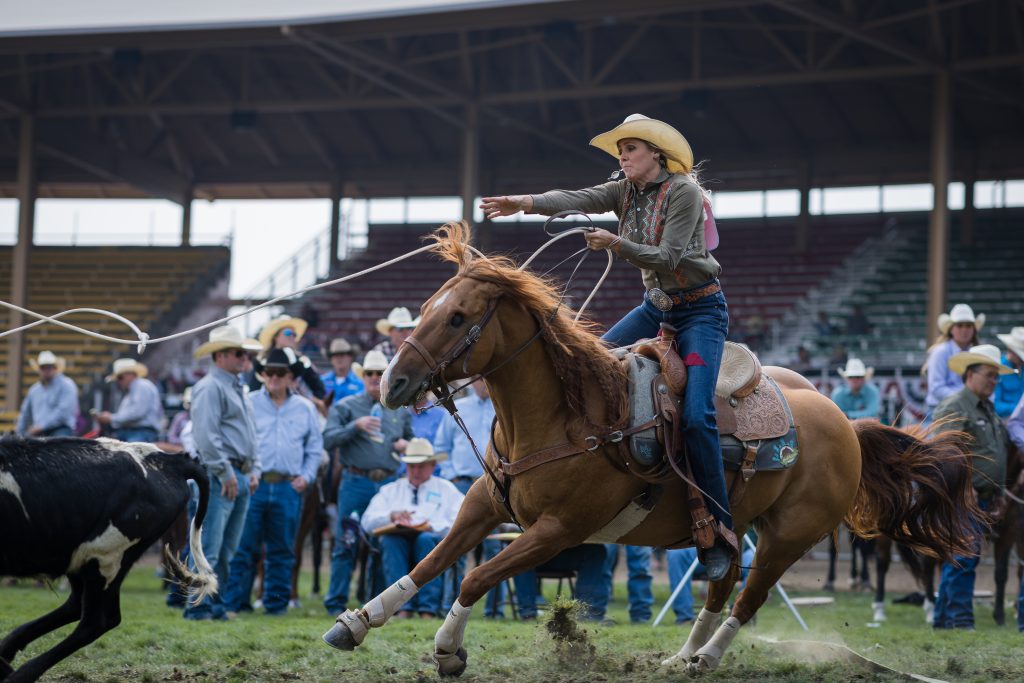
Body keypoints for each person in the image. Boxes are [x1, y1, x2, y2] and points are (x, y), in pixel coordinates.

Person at [480, 113, 736, 580]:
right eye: (620, 150)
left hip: (699, 313)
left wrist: (616, 243)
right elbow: (578, 198)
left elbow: (670, 257)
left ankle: (717, 527)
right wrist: (525, 201)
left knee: (699, 415)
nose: (623, 157)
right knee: (578, 367)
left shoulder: (684, 193)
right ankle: (576, 508)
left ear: (655, 153)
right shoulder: (625, 190)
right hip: (655, 306)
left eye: (631, 149)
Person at [222, 348, 323, 616]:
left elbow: (314, 448)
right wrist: (244, 473)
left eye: (281, 373)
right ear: (263, 375)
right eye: (270, 372)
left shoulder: (305, 408)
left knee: (282, 549)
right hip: (255, 483)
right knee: (244, 547)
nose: (274, 377)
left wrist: (307, 476)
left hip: (289, 486)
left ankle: (275, 605)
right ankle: (235, 603)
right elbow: (236, 440)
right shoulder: (249, 402)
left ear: (291, 377)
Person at [323, 349, 415, 615]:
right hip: (356, 482)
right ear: (362, 376)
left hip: (387, 486)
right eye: (370, 373)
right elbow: (328, 439)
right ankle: (336, 603)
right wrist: (356, 426)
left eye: (380, 373)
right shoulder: (347, 407)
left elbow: (411, 442)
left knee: (386, 541)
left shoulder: (398, 409)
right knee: (347, 542)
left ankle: (381, 604)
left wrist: (405, 445)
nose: (375, 378)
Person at [932, 344, 1015, 630]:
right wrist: (964, 487)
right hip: (963, 497)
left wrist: (1000, 492)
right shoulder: (954, 406)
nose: (994, 382)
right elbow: (943, 451)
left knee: (962, 558)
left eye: (996, 377)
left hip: (984, 497)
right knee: (964, 558)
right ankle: (960, 622)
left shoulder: (987, 409)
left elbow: (995, 453)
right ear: (971, 374)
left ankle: (944, 621)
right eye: (990, 375)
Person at [183, 325, 263, 621]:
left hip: (235, 473)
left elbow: (248, 435)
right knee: (210, 546)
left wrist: (252, 469)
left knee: (227, 548)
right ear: (221, 356)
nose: (245, 358)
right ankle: (199, 606)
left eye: (244, 353)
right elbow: (206, 436)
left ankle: (213, 605)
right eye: (239, 353)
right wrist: (226, 471)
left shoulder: (233, 386)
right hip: (221, 475)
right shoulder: (210, 387)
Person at [361, 438, 464, 618]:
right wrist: (390, 516)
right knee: (391, 540)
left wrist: (431, 526)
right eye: (411, 466)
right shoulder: (390, 490)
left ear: (432, 466)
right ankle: (401, 608)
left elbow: (460, 523)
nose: (416, 471)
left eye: (421, 466)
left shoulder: (447, 489)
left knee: (425, 540)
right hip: (398, 540)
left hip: (432, 541)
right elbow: (367, 522)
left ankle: (427, 608)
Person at [432, 378, 504, 616]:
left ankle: (494, 610)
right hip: (462, 484)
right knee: (456, 546)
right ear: (473, 382)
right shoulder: (456, 409)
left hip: (495, 483)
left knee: (495, 547)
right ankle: (449, 607)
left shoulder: (501, 408)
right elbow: (441, 449)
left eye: (487, 380)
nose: (483, 384)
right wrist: (452, 477)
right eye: (480, 380)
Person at [667, 540, 756, 625]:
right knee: (676, 554)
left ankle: (738, 614)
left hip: (741, 552)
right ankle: (685, 617)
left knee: (754, 557)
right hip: (702, 550)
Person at [513, 544, 607, 620]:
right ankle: (527, 613)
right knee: (520, 553)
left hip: (564, 550)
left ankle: (583, 611)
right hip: (535, 550)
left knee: (596, 550)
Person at [924, 303, 984, 418]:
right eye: (960, 326)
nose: (964, 330)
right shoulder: (940, 352)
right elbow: (937, 389)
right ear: (952, 329)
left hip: (968, 409)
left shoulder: (976, 353)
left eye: (968, 326)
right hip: (940, 411)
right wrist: (966, 397)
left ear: (973, 330)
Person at [252, 315, 327, 403]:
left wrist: (312, 404)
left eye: (294, 334)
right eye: (288, 333)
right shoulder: (263, 360)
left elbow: (318, 386)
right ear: (275, 336)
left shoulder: (302, 360)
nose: (292, 336)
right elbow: (254, 387)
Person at [95, 358, 163, 442]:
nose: (119, 382)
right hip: (134, 432)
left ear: (129, 374)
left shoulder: (141, 386)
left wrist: (112, 418)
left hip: (139, 432)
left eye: (120, 377)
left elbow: (137, 412)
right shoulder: (134, 389)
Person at [16, 350, 79, 437]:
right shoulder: (34, 390)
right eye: (43, 367)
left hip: (60, 429)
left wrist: (41, 426)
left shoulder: (67, 385)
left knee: (60, 444)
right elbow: (25, 414)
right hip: (38, 432)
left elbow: (63, 412)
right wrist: (19, 434)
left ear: (55, 368)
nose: (46, 370)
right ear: (39, 369)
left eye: (49, 367)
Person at [321, 337, 363, 405]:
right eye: (335, 355)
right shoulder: (322, 381)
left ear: (350, 357)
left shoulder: (360, 382)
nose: (339, 358)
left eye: (342, 354)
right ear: (331, 359)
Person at [995, 327, 1024, 418]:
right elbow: (995, 405)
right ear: (1011, 350)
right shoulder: (998, 370)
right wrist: (1019, 408)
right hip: (1005, 420)